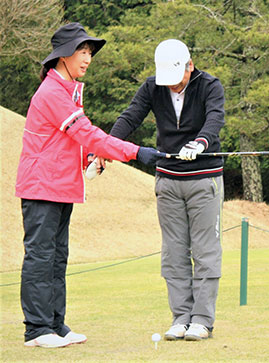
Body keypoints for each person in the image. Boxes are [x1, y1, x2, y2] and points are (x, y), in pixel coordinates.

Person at [15, 22, 162, 349]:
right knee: (41, 257)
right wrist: (135, 151)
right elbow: (86, 133)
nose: (87, 58)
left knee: (57, 257)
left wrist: (90, 158)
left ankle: (55, 324)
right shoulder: (53, 92)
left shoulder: (69, 91)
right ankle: (37, 330)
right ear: (63, 55)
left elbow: (73, 142)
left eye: (89, 52)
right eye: (82, 51)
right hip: (41, 187)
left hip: (59, 186)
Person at [109, 39, 225, 341]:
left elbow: (215, 119)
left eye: (178, 80)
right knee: (173, 252)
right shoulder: (153, 86)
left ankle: (201, 320)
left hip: (204, 177)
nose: (172, 86)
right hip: (168, 179)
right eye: (167, 81)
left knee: (204, 250)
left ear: (190, 65)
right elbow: (130, 117)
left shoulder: (210, 85)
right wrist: (107, 147)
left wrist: (200, 143)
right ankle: (180, 318)